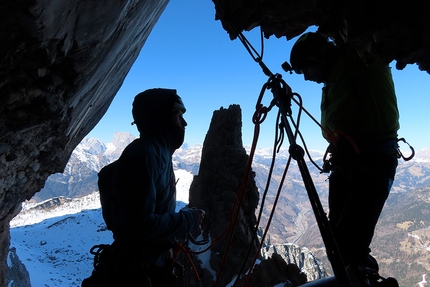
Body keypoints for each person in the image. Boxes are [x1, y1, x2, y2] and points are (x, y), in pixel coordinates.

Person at [289, 32, 400, 286]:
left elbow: (370, 38)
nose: (306, 76)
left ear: (318, 56)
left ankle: (369, 281)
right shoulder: (334, 77)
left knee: (349, 243)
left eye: (305, 68)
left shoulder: (358, 57)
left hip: (372, 161)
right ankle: (360, 277)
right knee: (337, 240)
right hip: (349, 161)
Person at [82, 88, 205, 287]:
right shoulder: (144, 156)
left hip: (148, 265)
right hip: (138, 272)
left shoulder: (158, 153)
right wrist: (188, 220)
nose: (184, 123)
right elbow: (138, 226)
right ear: (159, 118)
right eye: (177, 115)